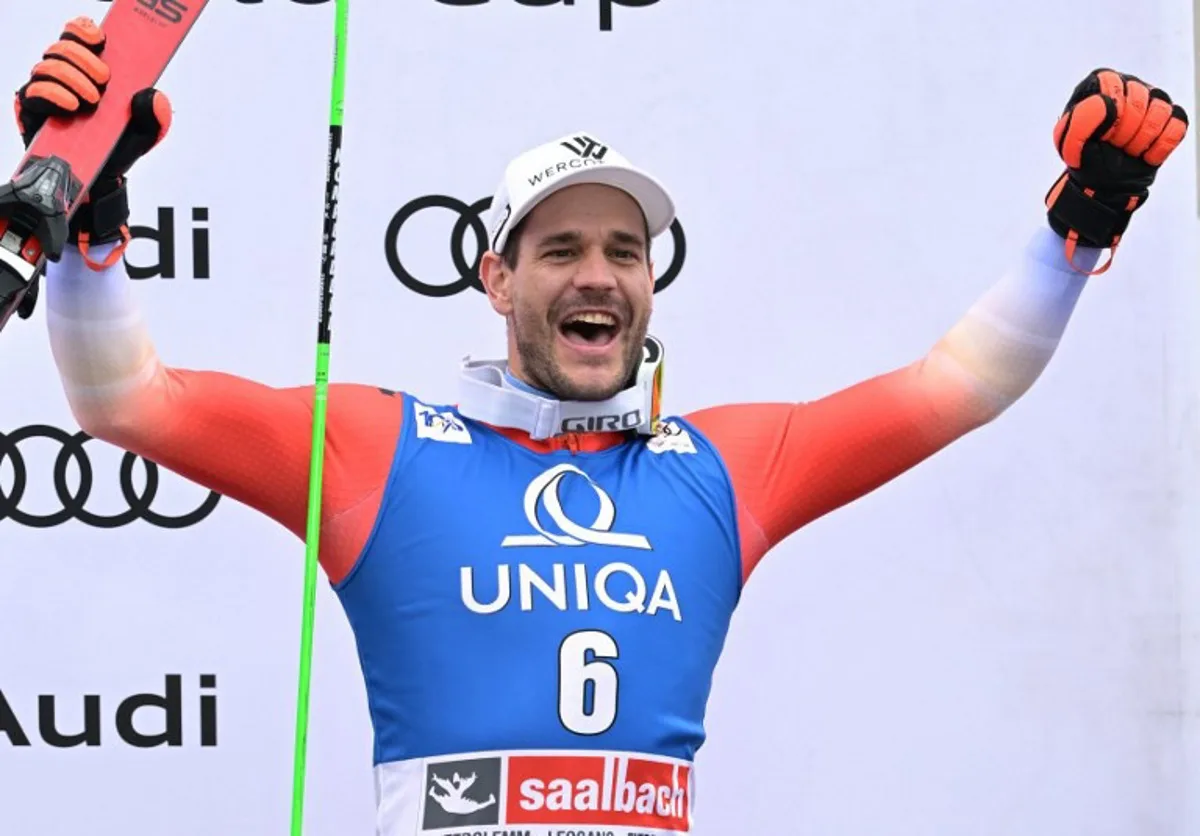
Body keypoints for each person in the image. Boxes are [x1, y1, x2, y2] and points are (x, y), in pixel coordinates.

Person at [15, 15, 1190, 836]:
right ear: (494, 276)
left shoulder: (725, 468)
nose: (600, 275)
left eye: (625, 250)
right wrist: (96, 221)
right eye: (563, 248)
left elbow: (960, 382)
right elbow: (125, 400)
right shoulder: (384, 449)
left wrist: (1079, 227)